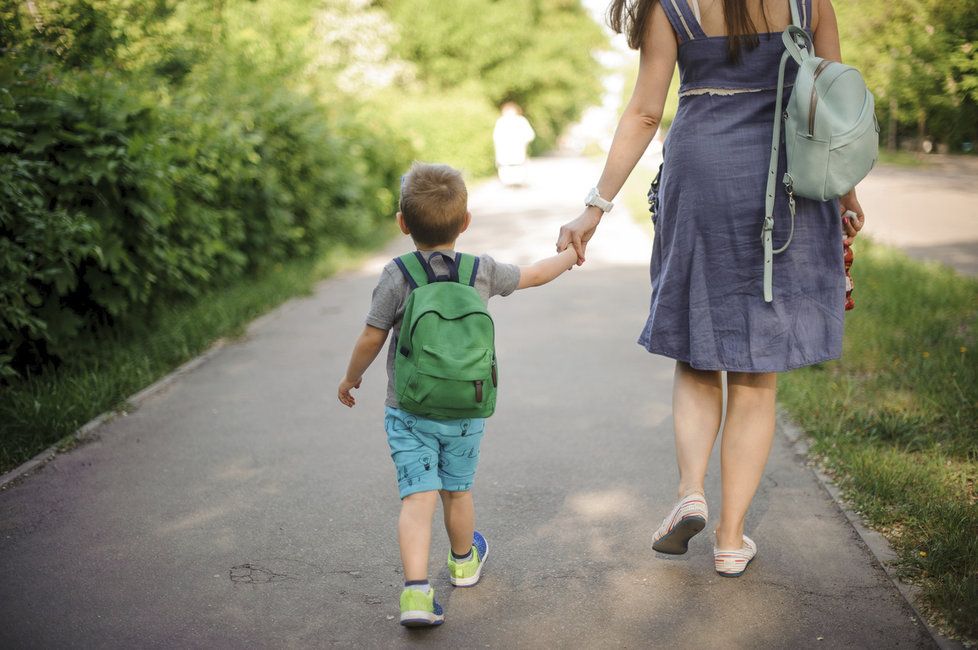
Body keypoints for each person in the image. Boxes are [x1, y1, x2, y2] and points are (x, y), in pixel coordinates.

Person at [556, 0, 866, 577]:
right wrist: (845, 192)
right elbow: (834, 103)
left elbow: (646, 114)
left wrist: (594, 208)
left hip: (702, 174)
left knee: (700, 348)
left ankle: (691, 490)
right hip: (788, 182)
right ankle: (730, 540)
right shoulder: (809, 2)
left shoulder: (671, 7)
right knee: (756, 371)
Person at [338, 162, 577, 626]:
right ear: (465, 222)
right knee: (458, 492)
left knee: (417, 499)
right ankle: (464, 562)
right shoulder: (480, 271)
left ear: (402, 223)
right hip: (467, 409)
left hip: (409, 410)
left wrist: (351, 378)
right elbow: (535, 275)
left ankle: (416, 595)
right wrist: (571, 254)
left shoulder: (398, 273)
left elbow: (372, 336)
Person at [493, 102, 536, 186]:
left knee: (518, 171)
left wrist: (523, 141)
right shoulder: (501, 121)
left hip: (518, 150)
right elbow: (496, 137)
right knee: (506, 172)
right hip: (504, 151)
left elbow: (530, 135)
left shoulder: (521, 121)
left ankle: (517, 184)